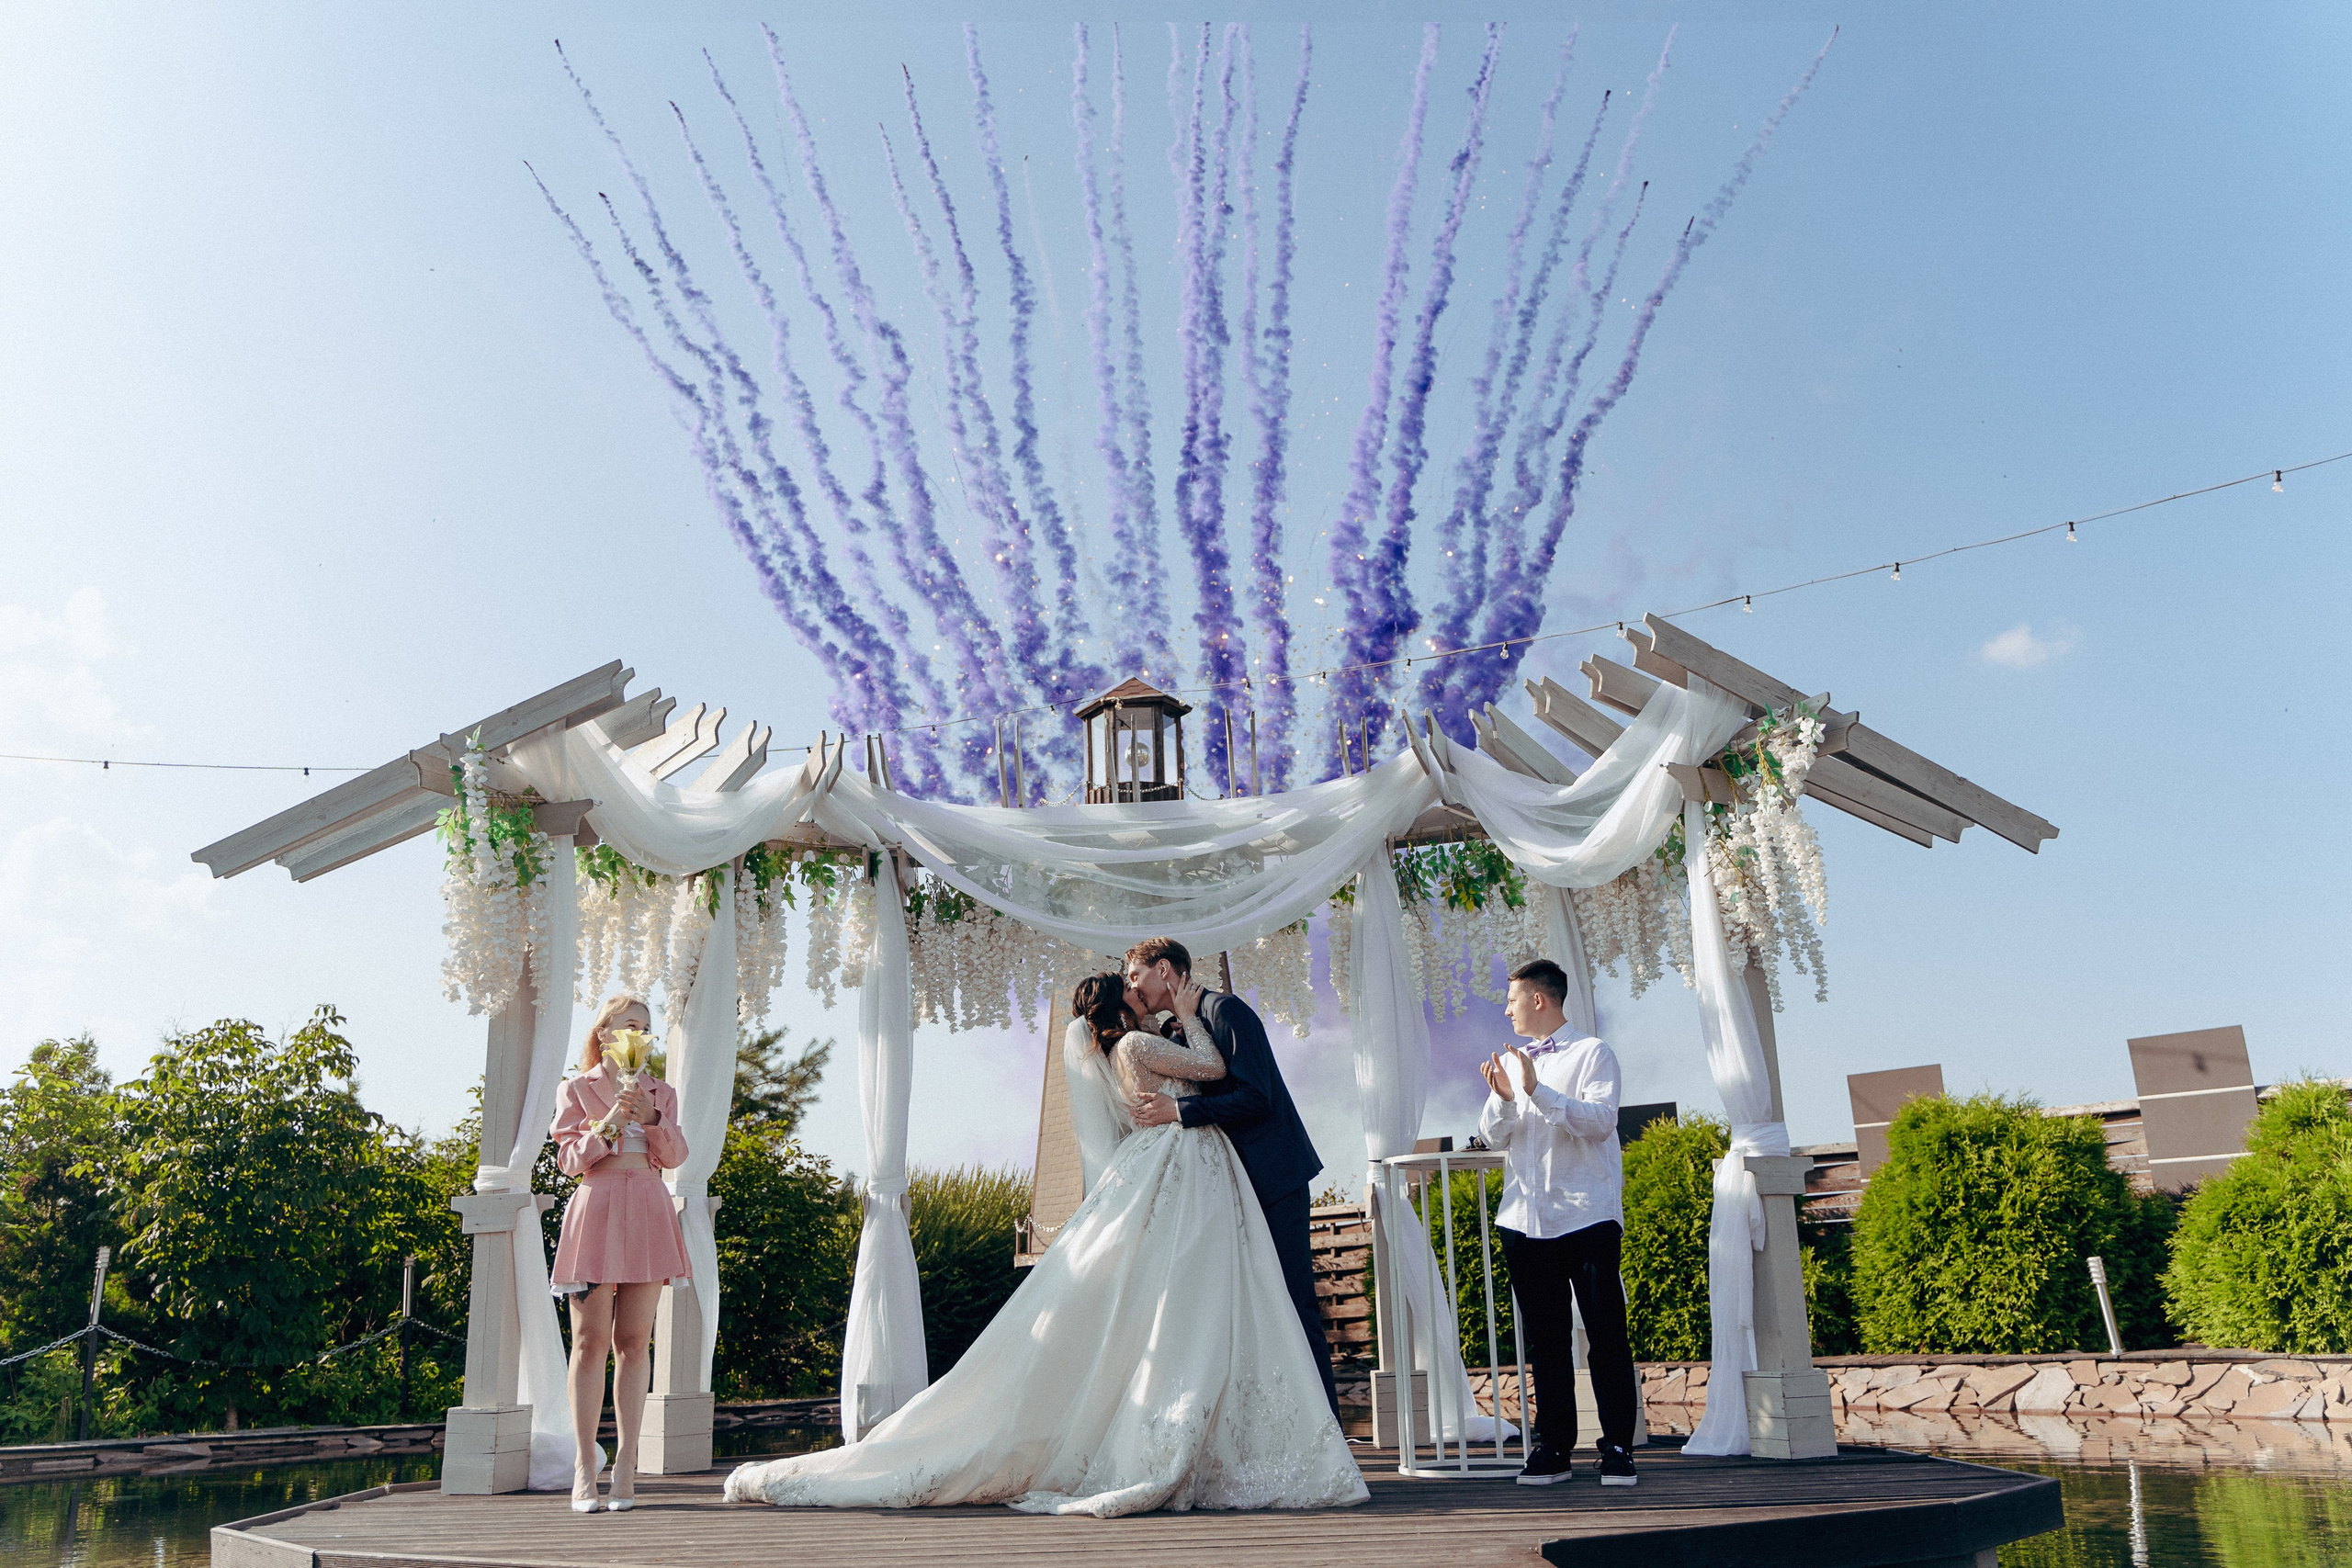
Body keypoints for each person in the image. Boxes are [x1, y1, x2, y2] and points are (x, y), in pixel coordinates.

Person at [724, 973, 1365, 1517]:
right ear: (1121, 1006)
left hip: (1175, 1165)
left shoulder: (1123, 1049)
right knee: (1190, 1296)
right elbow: (1216, 1069)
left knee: (1181, 1296)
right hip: (1181, 1163)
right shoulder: (1140, 1042)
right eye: (1133, 988)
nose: (1141, 992)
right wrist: (1193, 1018)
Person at [1124, 938, 1339, 1417]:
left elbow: (1256, 1096)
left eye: (1135, 975)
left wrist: (1179, 1110)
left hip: (1272, 1177)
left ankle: (1329, 1426)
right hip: (1228, 1184)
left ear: (1164, 969)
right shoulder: (1181, 1028)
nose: (1132, 986)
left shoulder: (1226, 1011)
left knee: (1294, 1300)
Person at [1477, 957, 1639, 1488]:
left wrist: (1538, 1091)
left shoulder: (1594, 1053)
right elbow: (1493, 1136)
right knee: (1546, 1341)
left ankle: (1618, 1447)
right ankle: (1553, 1448)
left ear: (1538, 999)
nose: (1507, 1010)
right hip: (1524, 1219)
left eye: (1512, 1000)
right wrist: (1506, 1099)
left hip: (1586, 1213)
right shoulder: (1513, 1061)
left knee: (1606, 1334)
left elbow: (1602, 1122)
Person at [549, 994, 690, 1514]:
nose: (640, 1034)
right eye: (631, 1024)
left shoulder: (662, 1092)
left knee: (633, 1341)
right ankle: (585, 1464)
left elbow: (675, 1157)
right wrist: (609, 1120)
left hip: (649, 1209)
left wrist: (653, 1118)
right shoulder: (576, 1088)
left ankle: (626, 1463)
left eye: (647, 1027)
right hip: (597, 1208)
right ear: (605, 1032)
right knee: (589, 1343)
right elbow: (569, 1161)